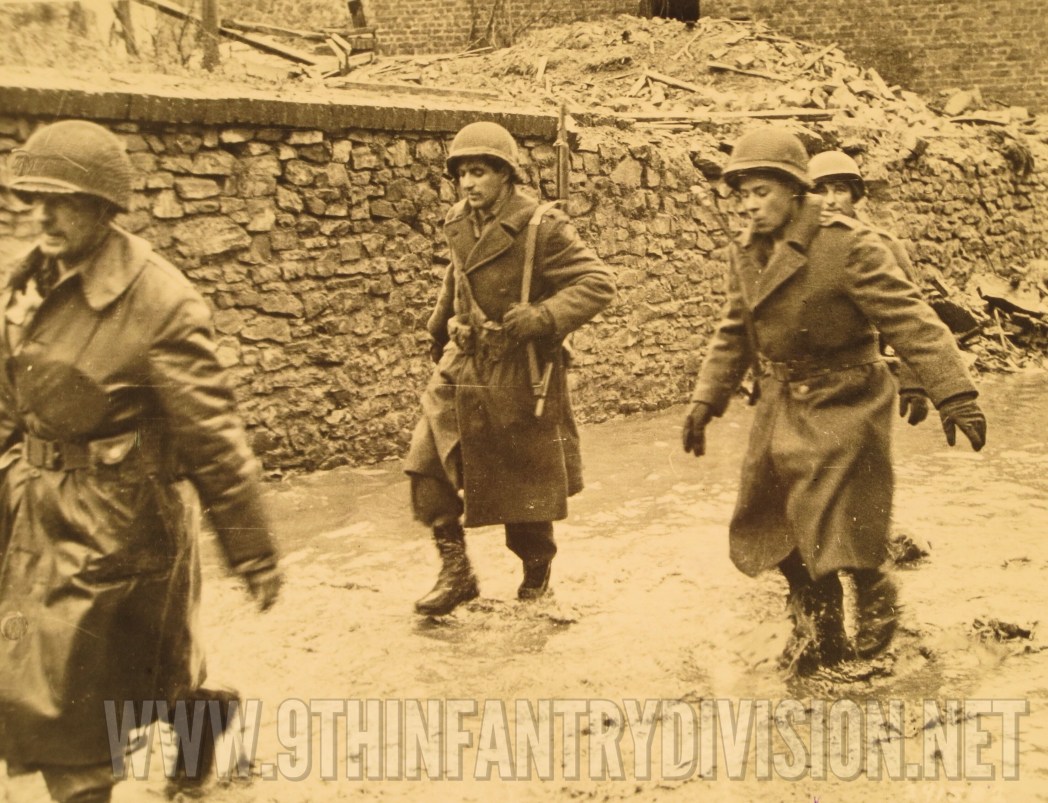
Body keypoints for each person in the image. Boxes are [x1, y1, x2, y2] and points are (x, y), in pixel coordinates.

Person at [0, 120, 283, 803]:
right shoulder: (25, 278)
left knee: (69, 707)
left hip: (120, 525)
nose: (42, 214)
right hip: (34, 509)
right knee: (95, 678)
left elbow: (214, 440)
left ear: (104, 207)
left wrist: (255, 553)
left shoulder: (161, 302)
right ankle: (203, 718)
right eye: (31, 197)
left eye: (61, 200)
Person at [681, 127, 986, 675]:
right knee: (769, 522)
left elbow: (912, 321)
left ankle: (873, 587)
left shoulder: (848, 245)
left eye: (763, 192)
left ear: (796, 191)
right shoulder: (747, 251)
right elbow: (735, 331)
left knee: (831, 519)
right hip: (778, 400)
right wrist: (706, 399)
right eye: (742, 193)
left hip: (845, 396)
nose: (750, 205)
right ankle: (817, 624)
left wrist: (954, 393)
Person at [405, 121, 615, 616]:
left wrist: (543, 317)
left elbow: (598, 283)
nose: (468, 184)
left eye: (479, 172)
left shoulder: (544, 226)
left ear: (505, 174)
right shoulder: (460, 219)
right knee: (425, 460)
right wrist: (437, 330)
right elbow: (458, 275)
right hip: (465, 362)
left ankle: (536, 583)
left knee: (526, 486)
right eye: (462, 175)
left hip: (520, 367)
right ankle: (456, 572)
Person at [809, 150, 930, 426]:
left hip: (861, 379)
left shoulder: (883, 246)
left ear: (854, 196)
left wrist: (914, 382)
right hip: (806, 385)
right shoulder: (798, 247)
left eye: (839, 190)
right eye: (820, 191)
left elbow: (912, 319)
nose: (829, 201)